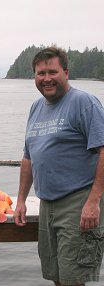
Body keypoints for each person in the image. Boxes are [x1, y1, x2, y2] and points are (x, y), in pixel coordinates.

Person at [14, 46, 104, 286]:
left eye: (52, 72)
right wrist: (21, 200)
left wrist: (94, 201)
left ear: (66, 72)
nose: (46, 79)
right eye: (40, 73)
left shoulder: (84, 102)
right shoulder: (36, 107)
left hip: (78, 201)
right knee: (56, 276)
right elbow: (28, 157)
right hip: (47, 203)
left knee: (73, 279)